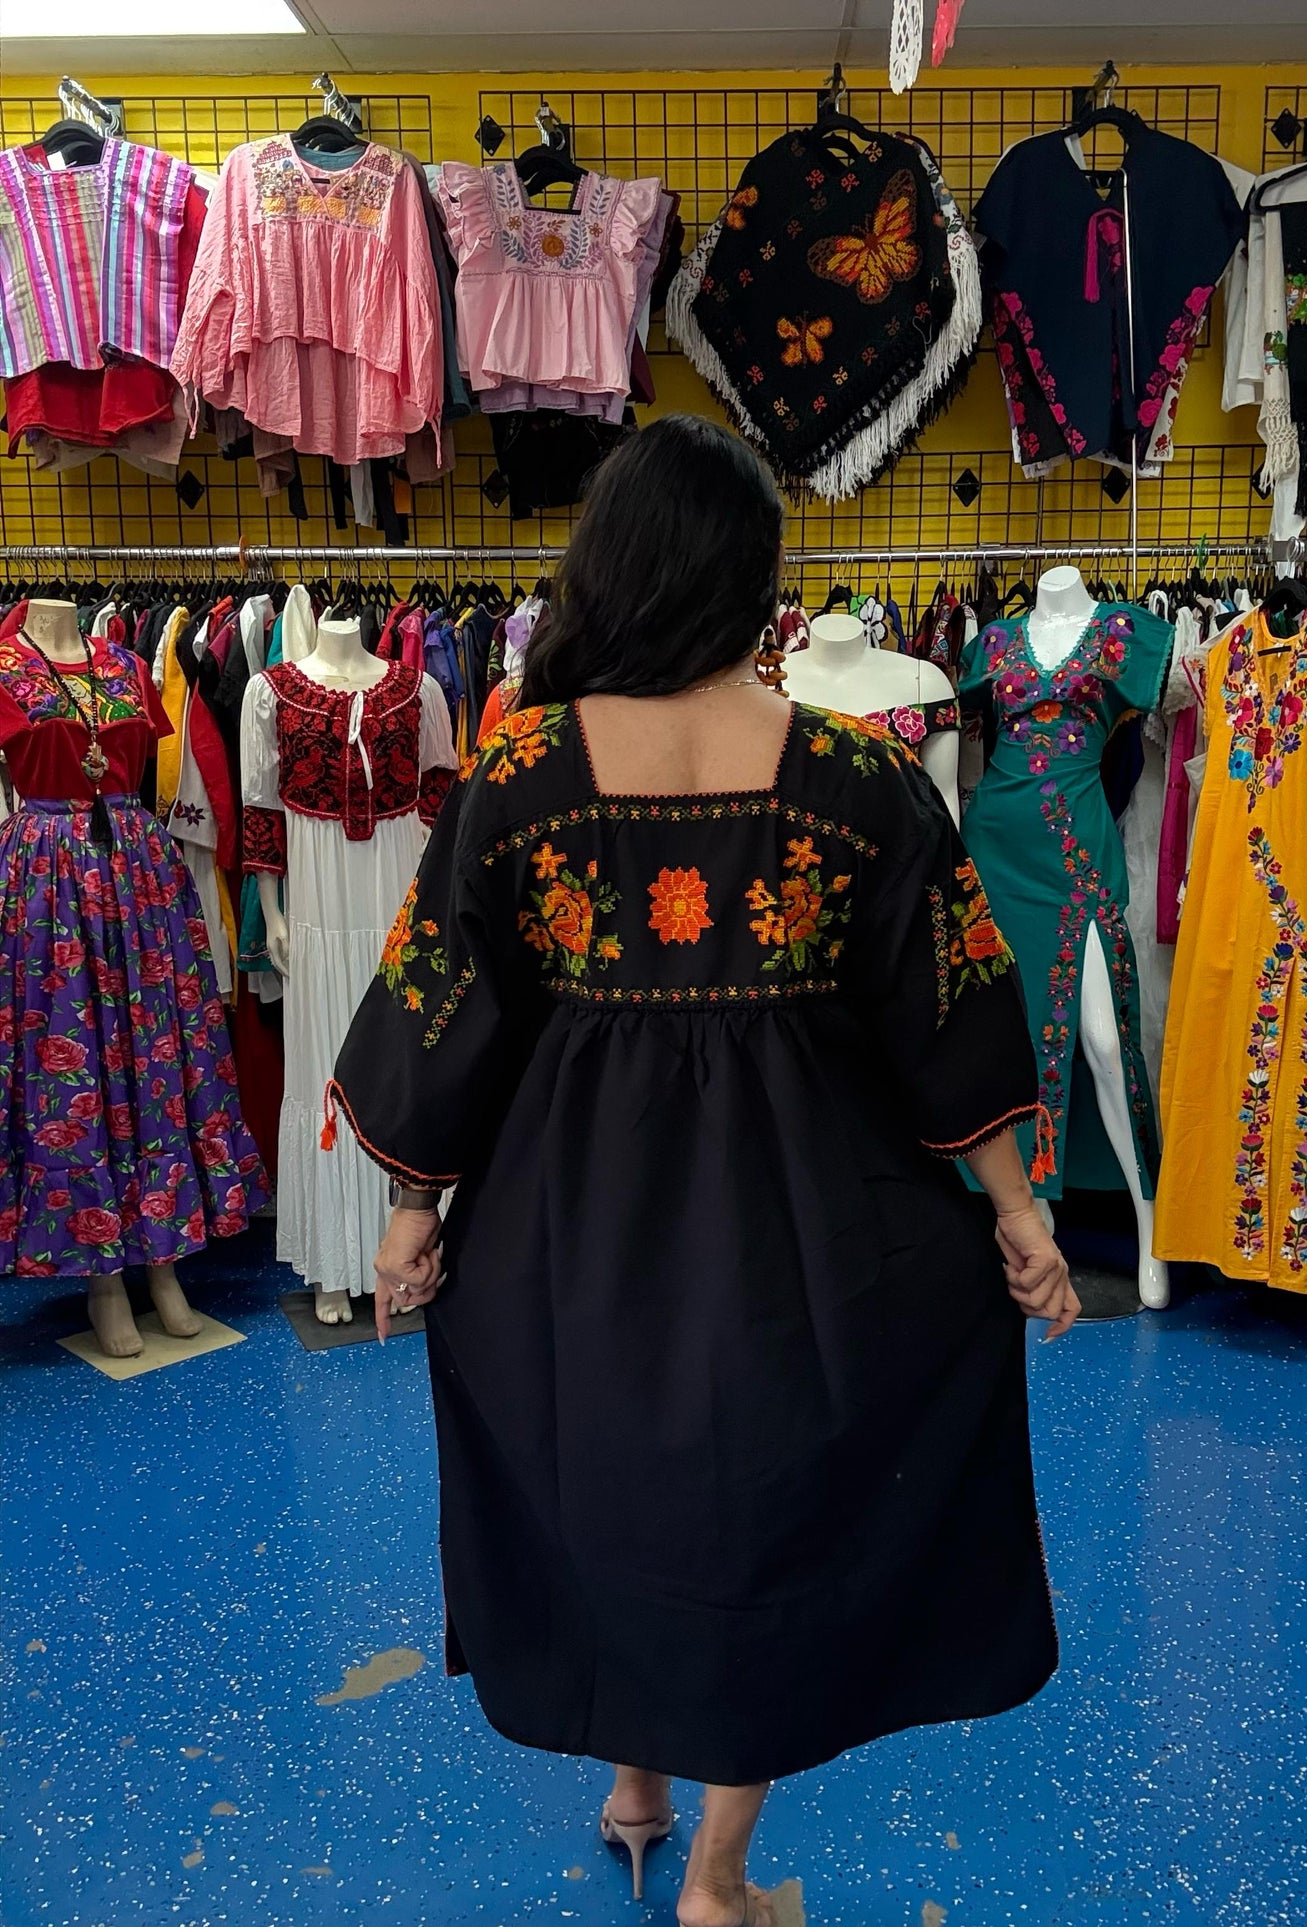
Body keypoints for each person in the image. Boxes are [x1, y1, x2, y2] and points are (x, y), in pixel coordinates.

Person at [329, 415, 1078, 1927]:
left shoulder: (519, 769)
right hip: (807, 1220)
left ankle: (635, 1793)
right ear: (752, 577)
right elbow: (947, 1005)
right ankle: (718, 1881)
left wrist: (410, 1221)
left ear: (606, 565)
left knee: (603, 1480)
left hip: (571, 1216)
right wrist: (1018, 1216)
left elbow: (438, 1003)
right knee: (772, 1511)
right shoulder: (855, 779)